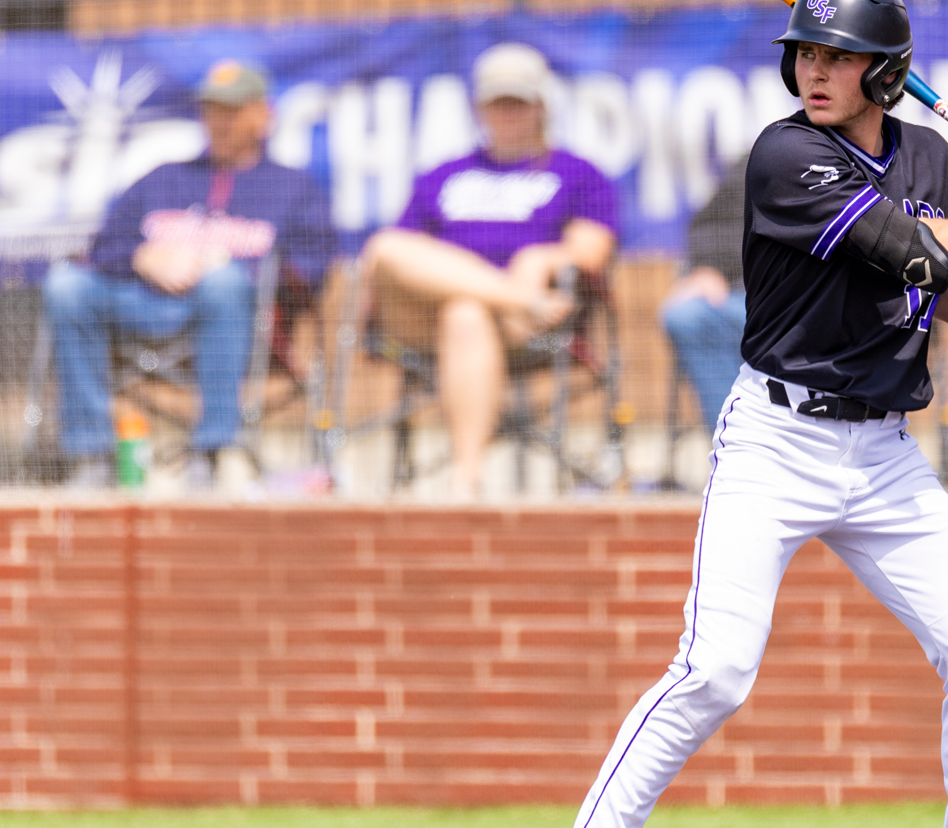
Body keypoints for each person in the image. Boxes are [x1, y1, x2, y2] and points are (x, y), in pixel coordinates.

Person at [539, 0, 948, 828]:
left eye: (839, 57)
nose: (817, 71)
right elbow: (916, 257)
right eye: (809, 54)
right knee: (716, 670)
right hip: (775, 442)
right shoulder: (787, 155)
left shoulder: (929, 158)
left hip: (885, 454)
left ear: (887, 72)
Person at [43, 60, 333, 488]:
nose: (220, 122)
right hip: (142, 307)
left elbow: (313, 267)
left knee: (225, 283)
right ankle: (91, 454)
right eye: (212, 110)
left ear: (263, 116)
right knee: (66, 286)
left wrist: (235, 266)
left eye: (233, 110)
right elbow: (104, 247)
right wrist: (141, 257)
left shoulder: (292, 188)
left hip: (236, 319)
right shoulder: (164, 179)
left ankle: (211, 451)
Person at [359, 43, 618, 500]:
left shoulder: (578, 174)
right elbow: (400, 254)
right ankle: (510, 295)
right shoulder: (441, 176)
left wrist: (541, 258)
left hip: (525, 325)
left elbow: (591, 253)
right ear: (479, 108)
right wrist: (517, 291)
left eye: (518, 102)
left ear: (541, 105)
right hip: (442, 314)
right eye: (498, 102)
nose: (508, 112)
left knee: (465, 313)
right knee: (387, 248)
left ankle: (465, 478)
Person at [661, 153, 750, 426]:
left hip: (818, 303)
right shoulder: (773, 153)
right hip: (744, 295)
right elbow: (713, 223)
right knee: (685, 316)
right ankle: (732, 443)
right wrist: (708, 266)